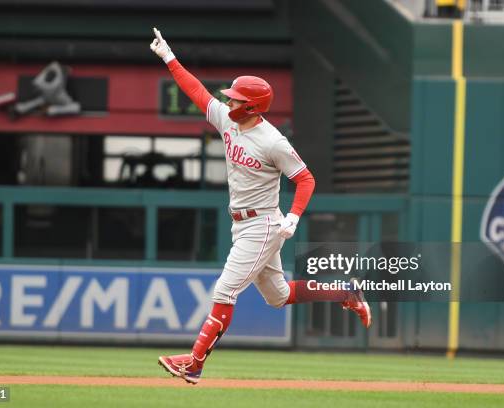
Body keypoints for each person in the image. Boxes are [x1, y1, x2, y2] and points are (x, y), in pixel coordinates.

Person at [150, 28, 371, 385]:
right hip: (243, 223)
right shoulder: (226, 120)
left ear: (252, 106)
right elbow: (197, 92)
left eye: (237, 100)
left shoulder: (273, 141)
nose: (230, 102)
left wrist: (295, 217)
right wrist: (169, 59)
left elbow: (306, 179)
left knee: (224, 291)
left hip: (264, 225)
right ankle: (346, 292)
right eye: (232, 98)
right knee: (278, 296)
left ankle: (193, 364)